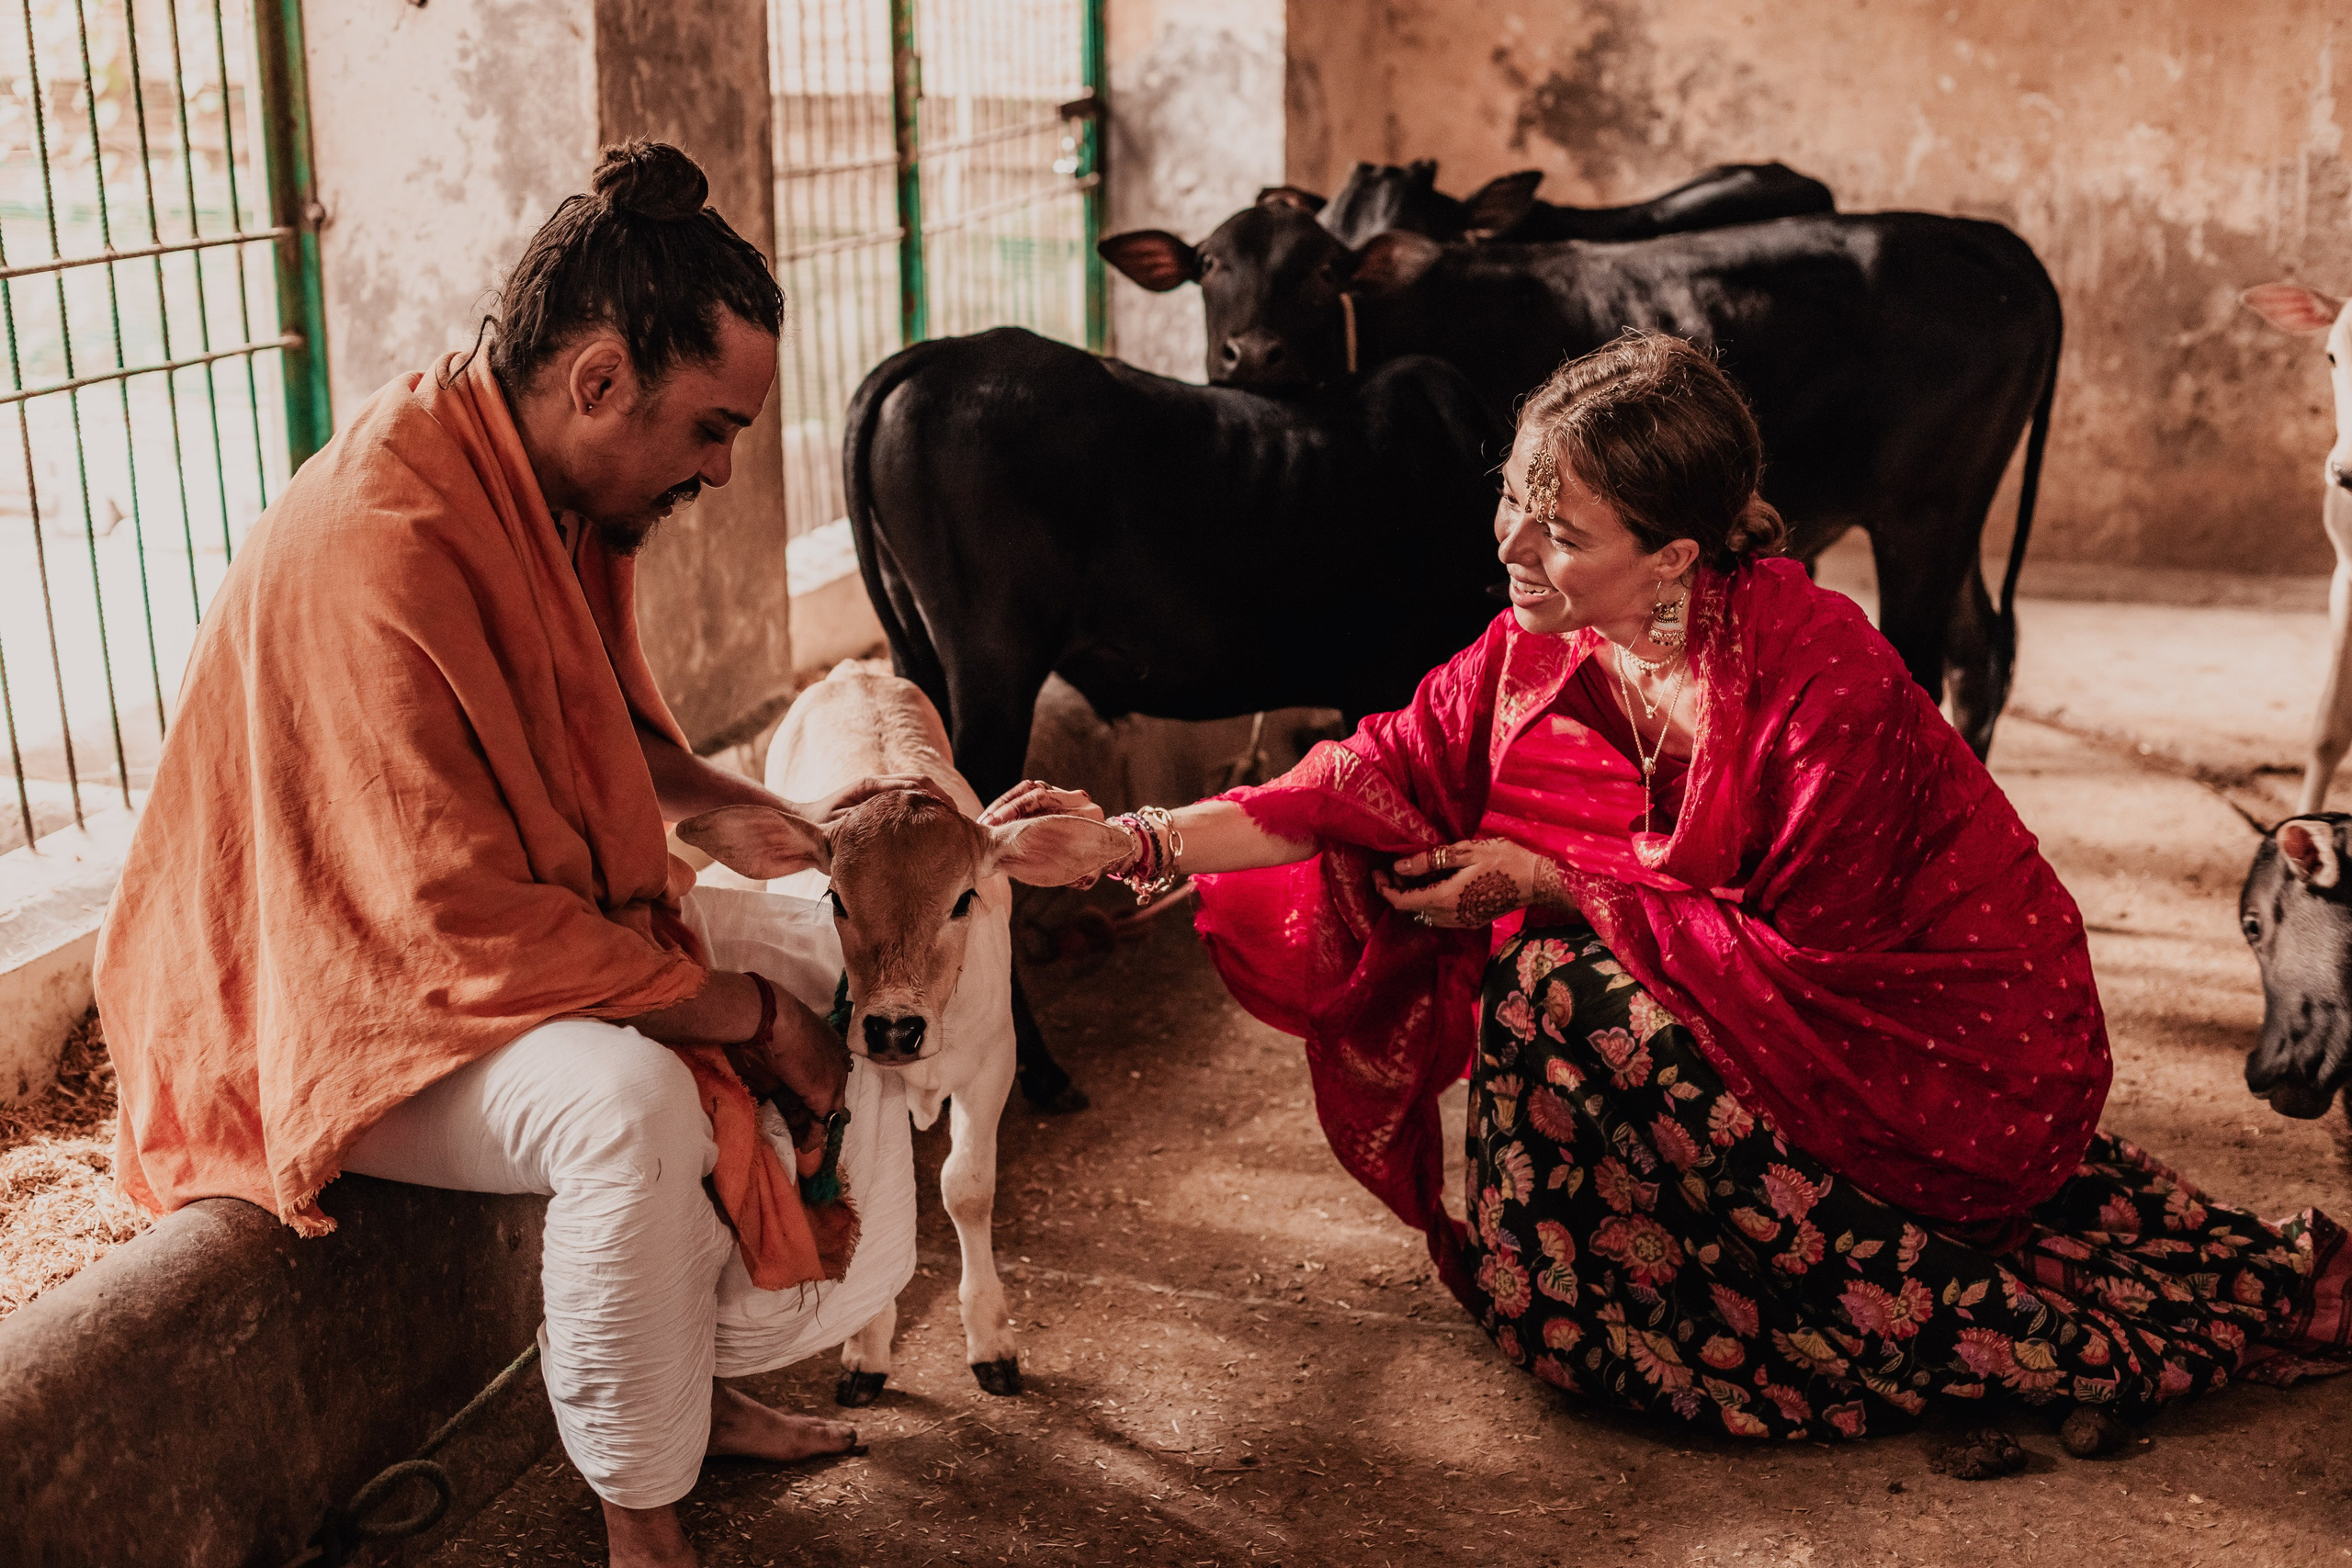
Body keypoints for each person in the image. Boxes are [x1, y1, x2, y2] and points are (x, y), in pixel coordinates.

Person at [990, 332, 2352, 1451]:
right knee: (1546, 975)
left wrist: (1560, 881)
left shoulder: (1824, 677)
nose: (1515, 545)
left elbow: (1818, 970)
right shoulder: (1534, 651)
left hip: (1942, 1042)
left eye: (1561, 526)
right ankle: (1606, 1305)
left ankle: (1771, 1319)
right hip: (1779, 1022)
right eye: (1514, 496)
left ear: (1678, 562)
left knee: (1553, 973)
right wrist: (1124, 841)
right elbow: (1356, 776)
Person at [96, 142, 928, 1568]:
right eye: (712, 429)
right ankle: (637, 1510)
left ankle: (697, 1387)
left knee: (826, 953)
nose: (724, 471)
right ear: (598, 381)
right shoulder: (389, 536)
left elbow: (612, 755)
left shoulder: (532, 479)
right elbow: (452, 920)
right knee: (628, 1104)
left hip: (454, 949)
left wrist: (784, 832)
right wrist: (747, 1016)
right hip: (327, 1008)